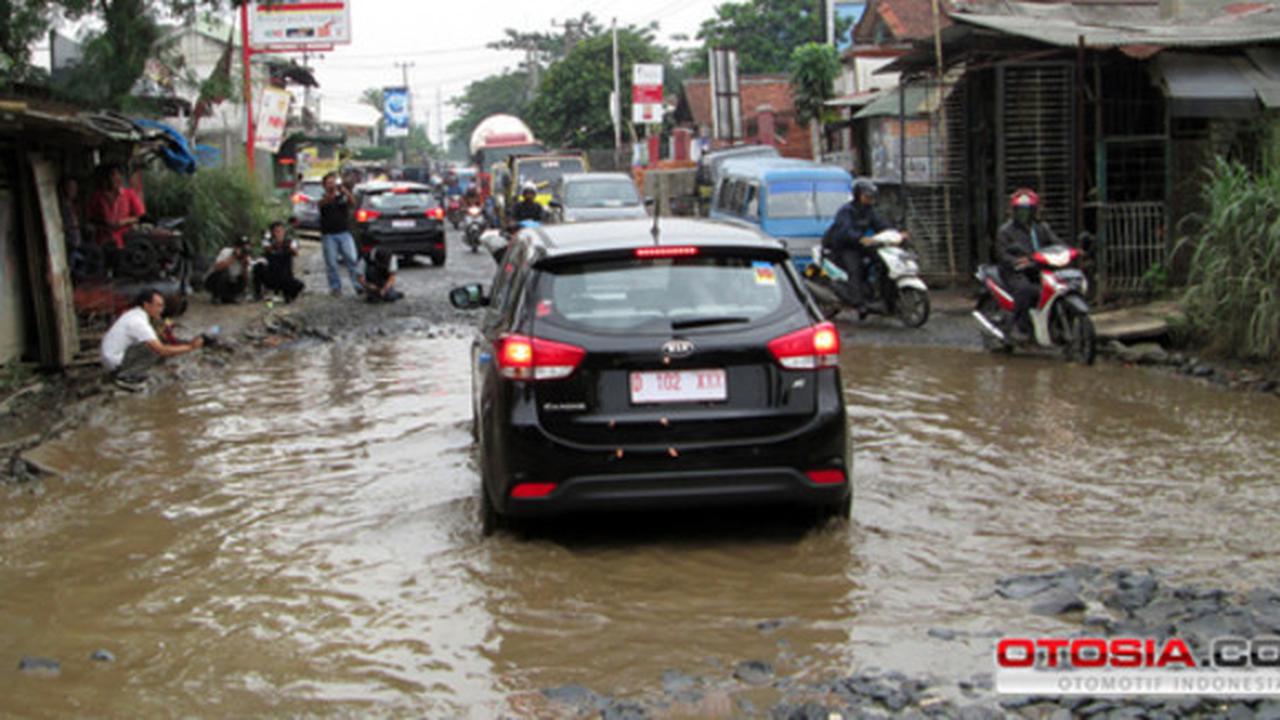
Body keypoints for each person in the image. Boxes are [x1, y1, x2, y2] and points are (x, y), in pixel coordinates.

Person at [100, 289, 203, 390]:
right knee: (153, 347)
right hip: (115, 363)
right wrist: (191, 347)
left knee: (154, 343)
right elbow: (161, 350)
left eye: (162, 305)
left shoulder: (134, 314)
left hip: (111, 358)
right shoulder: (139, 322)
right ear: (146, 305)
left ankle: (129, 372)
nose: (161, 309)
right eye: (158, 305)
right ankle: (127, 377)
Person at [997, 188, 1061, 342]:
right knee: (1025, 290)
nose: (1024, 215)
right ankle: (1019, 327)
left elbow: (1056, 243)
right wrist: (1017, 261)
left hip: (1038, 268)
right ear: (1014, 211)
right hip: (1015, 271)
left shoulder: (1042, 228)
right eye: (1020, 211)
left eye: (1028, 211)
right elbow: (1002, 254)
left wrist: (1065, 251)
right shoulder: (1005, 231)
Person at [822, 179, 894, 315]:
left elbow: (880, 224)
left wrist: (895, 232)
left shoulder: (869, 211)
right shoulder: (846, 211)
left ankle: (884, 296)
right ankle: (859, 303)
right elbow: (845, 230)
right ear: (857, 195)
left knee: (882, 261)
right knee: (855, 269)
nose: (869, 200)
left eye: (871, 197)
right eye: (867, 196)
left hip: (860, 244)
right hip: (844, 246)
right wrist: (860, 238)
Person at [88, 164, 146, 259]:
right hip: (103, 242)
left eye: (117, 175)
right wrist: (104, 223)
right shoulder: (97, 196)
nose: (115, 178)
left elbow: (141, 216)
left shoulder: (129, 194)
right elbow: (91, 217)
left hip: (125, 242)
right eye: (112, 175)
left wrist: (124, 221)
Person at [318, 171, 361, 297]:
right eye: (329, 183)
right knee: (331, 263)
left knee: (352, 260)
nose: (331, 185)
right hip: (328, 234)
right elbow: (324, 202)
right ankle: (335, 287)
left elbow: (353, 203)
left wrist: (345, 191)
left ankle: (358, 285)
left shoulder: (342, 196)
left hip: (344, 232)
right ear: (324, 185)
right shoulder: (322, 198)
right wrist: (332, 192)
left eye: (333, 182)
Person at [252, 221, 305, 303]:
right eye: (276, 231)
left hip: (285, 275)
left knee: (298, 285)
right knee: (258, 267)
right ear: (272, 233)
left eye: (280, 231)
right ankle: (258, 294)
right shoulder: (268, 241)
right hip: (272, 274)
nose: (278, 233)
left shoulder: (290, 241)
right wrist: (276, 244)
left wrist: (286, 246)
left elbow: (295, 252)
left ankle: (287, 294)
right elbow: (267, 249)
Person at [206, 236, 252, 304]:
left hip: (231, 281)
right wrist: (233, 257)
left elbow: (246, 279)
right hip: (213, 281)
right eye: (241, 247)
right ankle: (216, 295)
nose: (243, 249)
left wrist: (244, 266)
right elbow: (217, 268)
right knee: (223, 273)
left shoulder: (246, 258)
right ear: (235, 247)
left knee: (242, 280)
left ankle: (229, 297)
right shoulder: (226, 251)